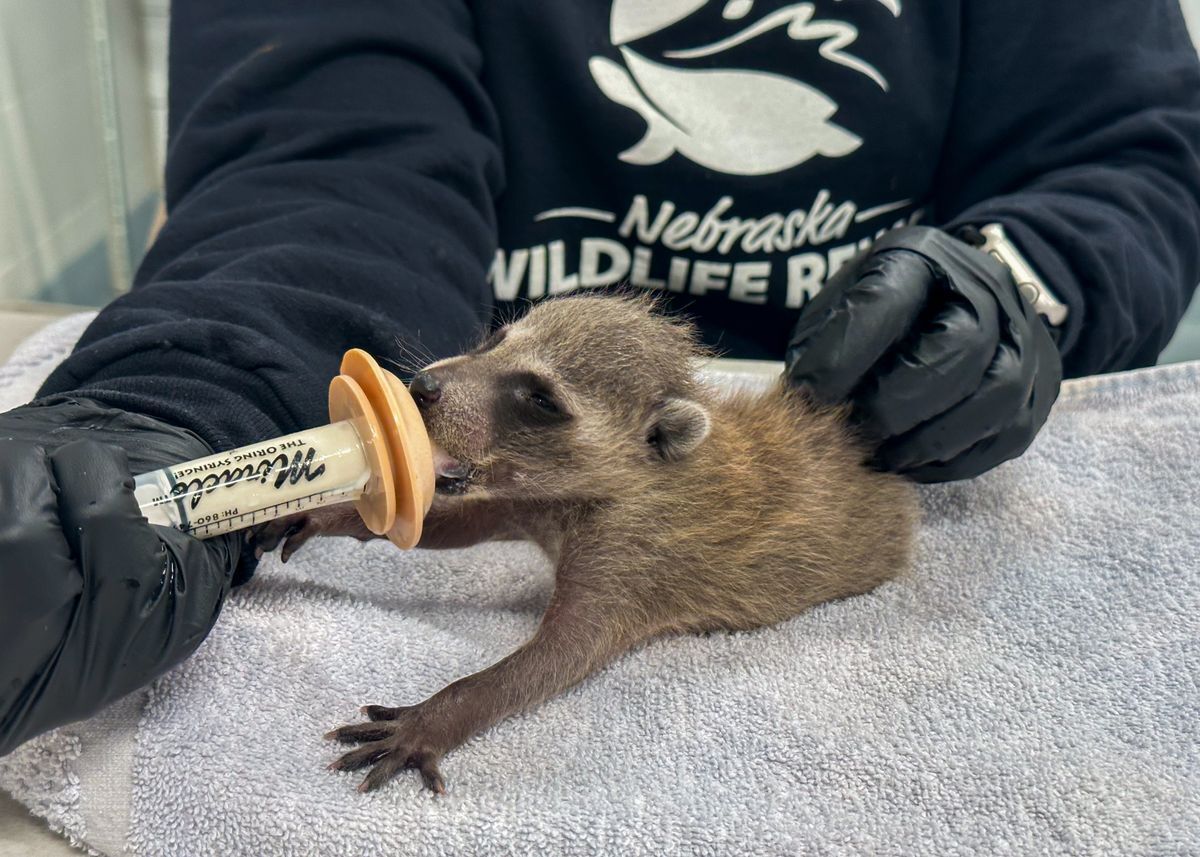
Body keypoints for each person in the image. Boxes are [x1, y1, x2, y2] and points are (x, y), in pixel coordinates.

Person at [1, 0, 1198, 756]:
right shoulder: (564, 449)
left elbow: (1132, 151)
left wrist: (1031, 282)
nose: (450, 385)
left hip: (853, 458)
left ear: (664, 444)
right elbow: (318, 168)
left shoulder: (644, 519)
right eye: (498, 356)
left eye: (525, 400)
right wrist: (171, 415)